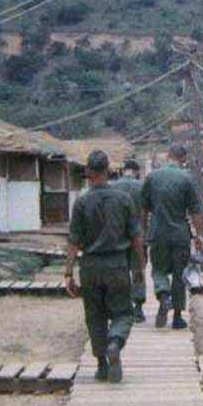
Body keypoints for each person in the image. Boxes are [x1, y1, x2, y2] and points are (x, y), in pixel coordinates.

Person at [64, 150, 144, 383]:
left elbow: (73, 241)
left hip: (89, 267)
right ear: (108, 171)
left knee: (95, 316)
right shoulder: (124, 200)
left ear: (88, 172)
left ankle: (101, 366)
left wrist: (69, 272)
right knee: (123, 313)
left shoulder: (81, 202)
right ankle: (115, 342)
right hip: (117, 265)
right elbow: (136, 238)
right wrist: (139, 268)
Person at [141, 143, 203, 330]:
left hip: (158, 232)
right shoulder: (187, 179)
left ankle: (164, 296)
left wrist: (144, 234)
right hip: (180, 234)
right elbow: (196, 211)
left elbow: (143, 210)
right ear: (183, 159)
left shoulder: (152, 177)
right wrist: (200, 235)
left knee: (159, 270)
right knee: (179, 274)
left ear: (168, 156)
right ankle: (177, 317)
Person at [112, 158, 147, 323]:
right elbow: (146, 212)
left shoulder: (113, 187)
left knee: (120, 271)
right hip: (137, 235)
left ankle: (122, 308)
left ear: (123, 170)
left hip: (117, 236)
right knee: (138, 269)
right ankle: (138, 309)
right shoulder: (142, 187)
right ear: (137, 171)